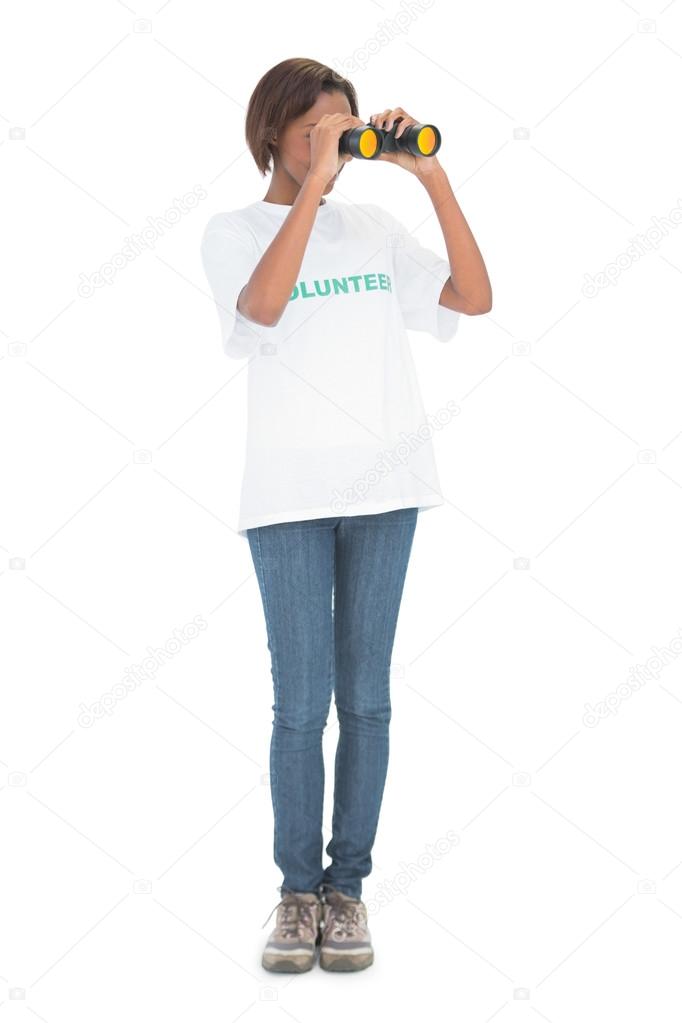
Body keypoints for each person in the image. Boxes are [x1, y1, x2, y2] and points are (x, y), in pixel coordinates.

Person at [200, 57, 492, 973]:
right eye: (315, 131)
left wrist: (431, 177)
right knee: (302, 705)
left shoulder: (374, 225)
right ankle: (296, 893)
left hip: (386, 493)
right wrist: (311, 193)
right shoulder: (234, 230)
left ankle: (348, 891)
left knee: (367, 702)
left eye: (345, 129)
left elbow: (472, 297)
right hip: (288, 500)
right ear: (273, 137)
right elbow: (262, 306)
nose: (333, 145)